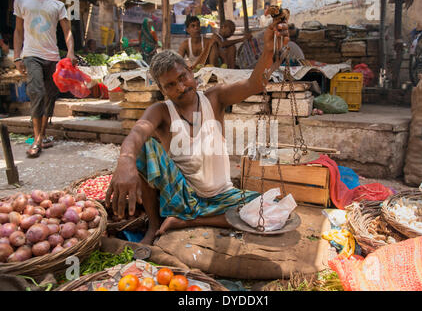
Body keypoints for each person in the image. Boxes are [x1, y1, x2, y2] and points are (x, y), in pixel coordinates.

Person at [105, 18, 290, 244]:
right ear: (163, 90)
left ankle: (186, 222)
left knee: (277, 208)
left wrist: (268, 50)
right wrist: (125, 161)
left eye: (183, 78)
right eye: (170, 85)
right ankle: (154, 226)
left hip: (223, 196)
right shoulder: (161, 111)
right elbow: (137, 133)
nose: (181, 88)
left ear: (191, 71)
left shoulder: (215, 98)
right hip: (182, 197)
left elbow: (254, 84)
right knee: (145, 148)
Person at [13, 0, 75, 158]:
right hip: (31, 55)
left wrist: (71, 52)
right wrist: (17, 56)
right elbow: (18, 31)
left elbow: (67, 31)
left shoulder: (57, 5)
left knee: (50, 96)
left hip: (52, 57)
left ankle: (42, 134)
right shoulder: (21, 1)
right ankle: (37, 138)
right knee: (37, 92)